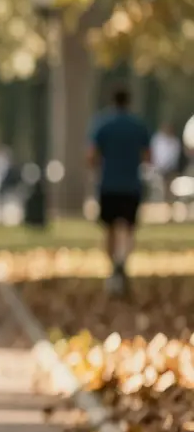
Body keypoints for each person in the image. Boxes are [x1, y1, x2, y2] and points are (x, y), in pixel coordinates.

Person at [89, 86, 152, 295]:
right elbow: (148, 157)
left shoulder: (103, 124)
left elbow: (92, 156)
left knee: (109, 229)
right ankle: (122, 260)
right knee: (128, 227)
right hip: (131, 185)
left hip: (108, 185)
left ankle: (112, 267)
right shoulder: (138, 125)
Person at [150, 123, 182, 203]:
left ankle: (169, 203)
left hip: (171, 169)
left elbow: (174, 156)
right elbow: (155, 153)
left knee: (170, 188)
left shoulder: (175, 141)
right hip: (158, 168)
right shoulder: (157, 139)